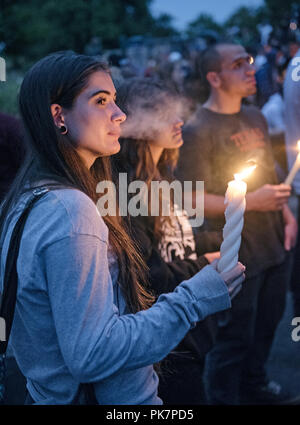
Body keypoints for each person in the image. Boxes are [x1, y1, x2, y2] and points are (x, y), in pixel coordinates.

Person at [0, 52, 245, 405]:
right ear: (59, 115)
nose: (120, 115)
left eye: (115, 100)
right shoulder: (71, 210)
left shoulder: (30, 197)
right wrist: (195, 297)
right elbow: (93, 355)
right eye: (101, 101)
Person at [177, 43, 297, 405]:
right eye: (238, 64)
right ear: (214, 77)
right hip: (236, 251)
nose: (250, 69)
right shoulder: (198, 130)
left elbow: (268, 172)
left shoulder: (255, 116)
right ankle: (224, 396)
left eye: (249, 60)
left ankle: (255, 384)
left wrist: (287, 214)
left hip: (275, 242)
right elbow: (188, 198)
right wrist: (251, 201)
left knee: (268, 325)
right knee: (233, 338)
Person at [112, 77, 228, 405]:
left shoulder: (162, 177)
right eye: (164, 114)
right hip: (166, 349)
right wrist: (205, 264)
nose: (179, 122)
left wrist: (219, 239)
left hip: (190, 335)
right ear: (133, 121)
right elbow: (146, 276)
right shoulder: (125, 192)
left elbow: (175, 239)